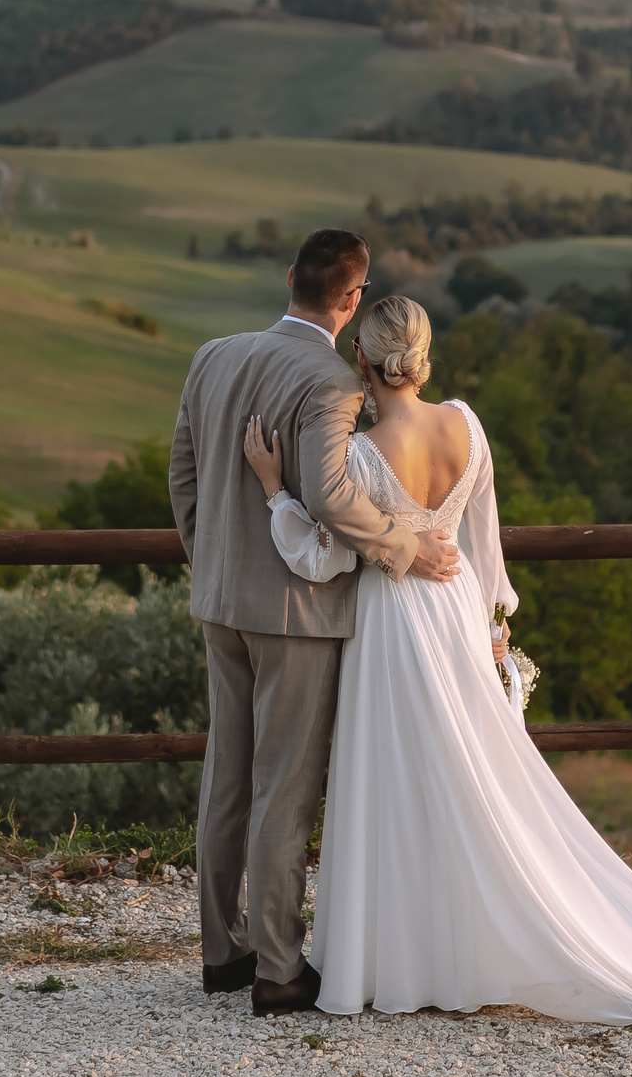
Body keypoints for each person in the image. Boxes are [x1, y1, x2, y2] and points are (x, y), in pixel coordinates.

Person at [241, 293, 632, 1023]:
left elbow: (325, 557)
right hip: (457, 604)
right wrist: (493, 617)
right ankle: (465, 940)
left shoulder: (361, 456)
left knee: (401, 776)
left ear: (361, 358)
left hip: (392, 620)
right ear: (423, 357)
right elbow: (485, 534)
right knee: (468, 771)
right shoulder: (466, 425)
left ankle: (403, 954)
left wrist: (273, 490)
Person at [168, 228, 465, 1016]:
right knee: (285, 787)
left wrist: (213, 563)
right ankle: (277, 967)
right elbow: (332, 495)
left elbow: (183, 475)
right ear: (352, 299)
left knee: (227, 776)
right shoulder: (332, 381)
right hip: (296, 611)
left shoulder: (212, 355)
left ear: (289, 276)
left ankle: (221, 953)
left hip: (220, 601)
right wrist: (406, 545)